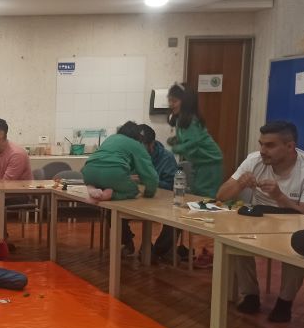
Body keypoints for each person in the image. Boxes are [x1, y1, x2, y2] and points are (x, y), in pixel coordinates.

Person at [215, 121, 304, 323]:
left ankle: (285, 303)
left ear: (290, 146)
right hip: (264, 219)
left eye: (270, 145)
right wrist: (240, 184)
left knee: (296, 250)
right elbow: (221, 196)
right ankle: (250, 295)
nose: (262, 151)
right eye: (261, 144)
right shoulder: (254, 160)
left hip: (301, 223)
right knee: (234, 237)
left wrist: (279, 196)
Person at [167, 83, 223, 197]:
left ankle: (206, 215)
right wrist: (175, 140)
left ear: (186, 102)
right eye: (169, 100)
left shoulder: (191, 120)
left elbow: (194, 142)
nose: (171, 104)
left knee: (205, 195)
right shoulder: (181, 120)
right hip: (199, 163)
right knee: (197, 191)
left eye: (174, 101)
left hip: (210, 163)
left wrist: (176, 148)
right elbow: (188, 138)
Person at [81, 121, 159, 203]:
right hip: (113, 173)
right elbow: (150, 176)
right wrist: (149, 193)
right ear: (138, 137)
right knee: (134, 191)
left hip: (88, 172)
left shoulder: (111, 138)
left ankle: (92, 187)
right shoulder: (136, 144)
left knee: (104, 182)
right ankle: (108, 195)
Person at [137, 124, 181, 261]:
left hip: (161, 201)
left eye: (143, 147)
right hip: (137, 199)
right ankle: (126, 243)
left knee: (178, 215)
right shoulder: (133, 154)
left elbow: (170, 187)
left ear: (152, 144)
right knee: (110, 208)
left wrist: (147, 180)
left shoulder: (167, 158)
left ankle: (159, 250)